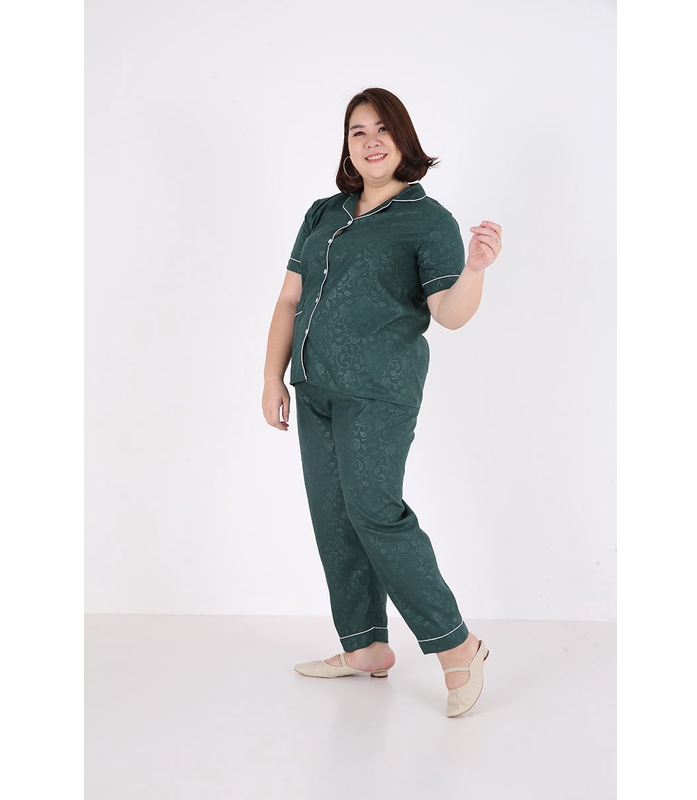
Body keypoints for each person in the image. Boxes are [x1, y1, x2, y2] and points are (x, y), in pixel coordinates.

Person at [261, 87, 502, 717]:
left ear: (403, 138)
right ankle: (365, 646)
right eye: (357, 131)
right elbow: (289, 299)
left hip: (378, 392)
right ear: (346, 145)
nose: (370, 141)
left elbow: (449, 313)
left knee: (375, 512)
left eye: (382, 129)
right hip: (313, 388)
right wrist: (272, 378)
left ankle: (457, 646)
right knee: (334, 516)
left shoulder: (428, 220)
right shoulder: (323, 213)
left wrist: (475, 270)